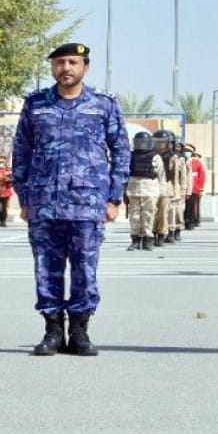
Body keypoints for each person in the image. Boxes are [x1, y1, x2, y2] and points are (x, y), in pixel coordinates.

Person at [10, 42, 129, 357]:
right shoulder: (36, 103)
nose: (66, 68)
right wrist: (24, 197)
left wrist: (114, 198)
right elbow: (21, 150)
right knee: (46, 268)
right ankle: (52, 330)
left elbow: (121, 150)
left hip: (88, 202)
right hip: (44, 201)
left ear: (85, 67)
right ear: (53, 67)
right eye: (60, 63)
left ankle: (79, 331)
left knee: (85, 269)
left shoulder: (103, 103)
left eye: (73, 62)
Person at [124, 131, 163, 250]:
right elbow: (125, 174)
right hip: (133, 189)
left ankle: (148, 239)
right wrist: (123, 190)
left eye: (144, 142)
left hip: (150, 189)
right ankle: (135, 239)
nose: (142, 144)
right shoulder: (130, 156)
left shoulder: (155, 157)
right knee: (134, 216)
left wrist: (162, 193)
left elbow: (161, 176)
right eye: (139, 142)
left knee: (148, 215)